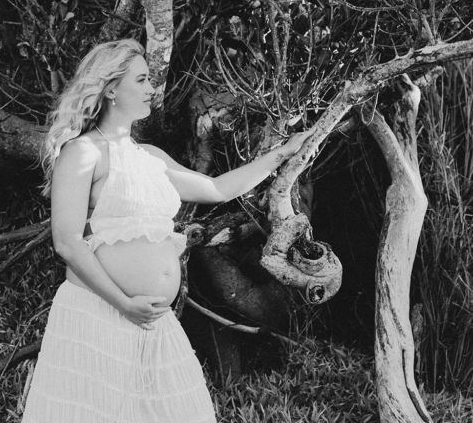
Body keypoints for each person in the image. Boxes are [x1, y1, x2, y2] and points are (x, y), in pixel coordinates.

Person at [21, 38, 308, 423]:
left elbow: (218, 189)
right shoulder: (83, 152)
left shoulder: (151, 157)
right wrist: (124, 303)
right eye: (140, 80)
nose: (151, 88)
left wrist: (282, 153)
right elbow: (68, 243)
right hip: (100, 311)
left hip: (152, 319)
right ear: (110, 89)